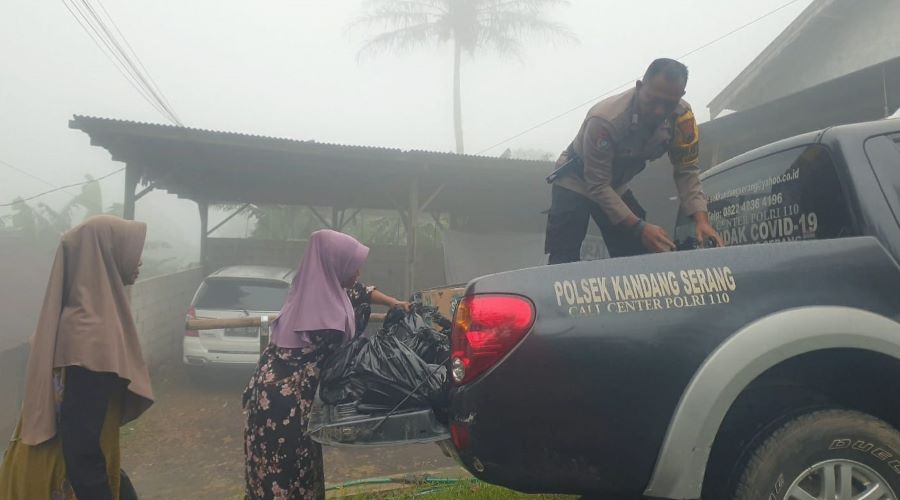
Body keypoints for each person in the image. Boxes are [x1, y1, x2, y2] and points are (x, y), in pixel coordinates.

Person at [0, 215, 154, 500]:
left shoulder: (69, 318)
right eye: (130, 249)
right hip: (61, 480)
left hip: (39, 464)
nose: (139, 261)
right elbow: (81, 445)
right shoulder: (91, 333)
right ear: (104, 255)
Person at [545, 58, 723, 263]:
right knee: (564, 255)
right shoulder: (605, 119)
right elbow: (597, 184)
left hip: (616, 185)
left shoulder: (683, 118)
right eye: (653, 100)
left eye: (668, 103)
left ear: (681, 96)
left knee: (638, 251)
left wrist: (702, 220)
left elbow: (687, 170)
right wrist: (639, 227)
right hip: (576, 181)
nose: (659, 110)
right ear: (640, 87)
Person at [243, 229, 370, 500]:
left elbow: (360, 292)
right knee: (287, 477)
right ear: (334, 265)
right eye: (353, 266)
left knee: (277, 474)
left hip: (267, 395)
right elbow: (346, 364)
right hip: (286, 408)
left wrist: (396, 303)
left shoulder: (309, 288)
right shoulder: (328, 317)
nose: (358, 273)